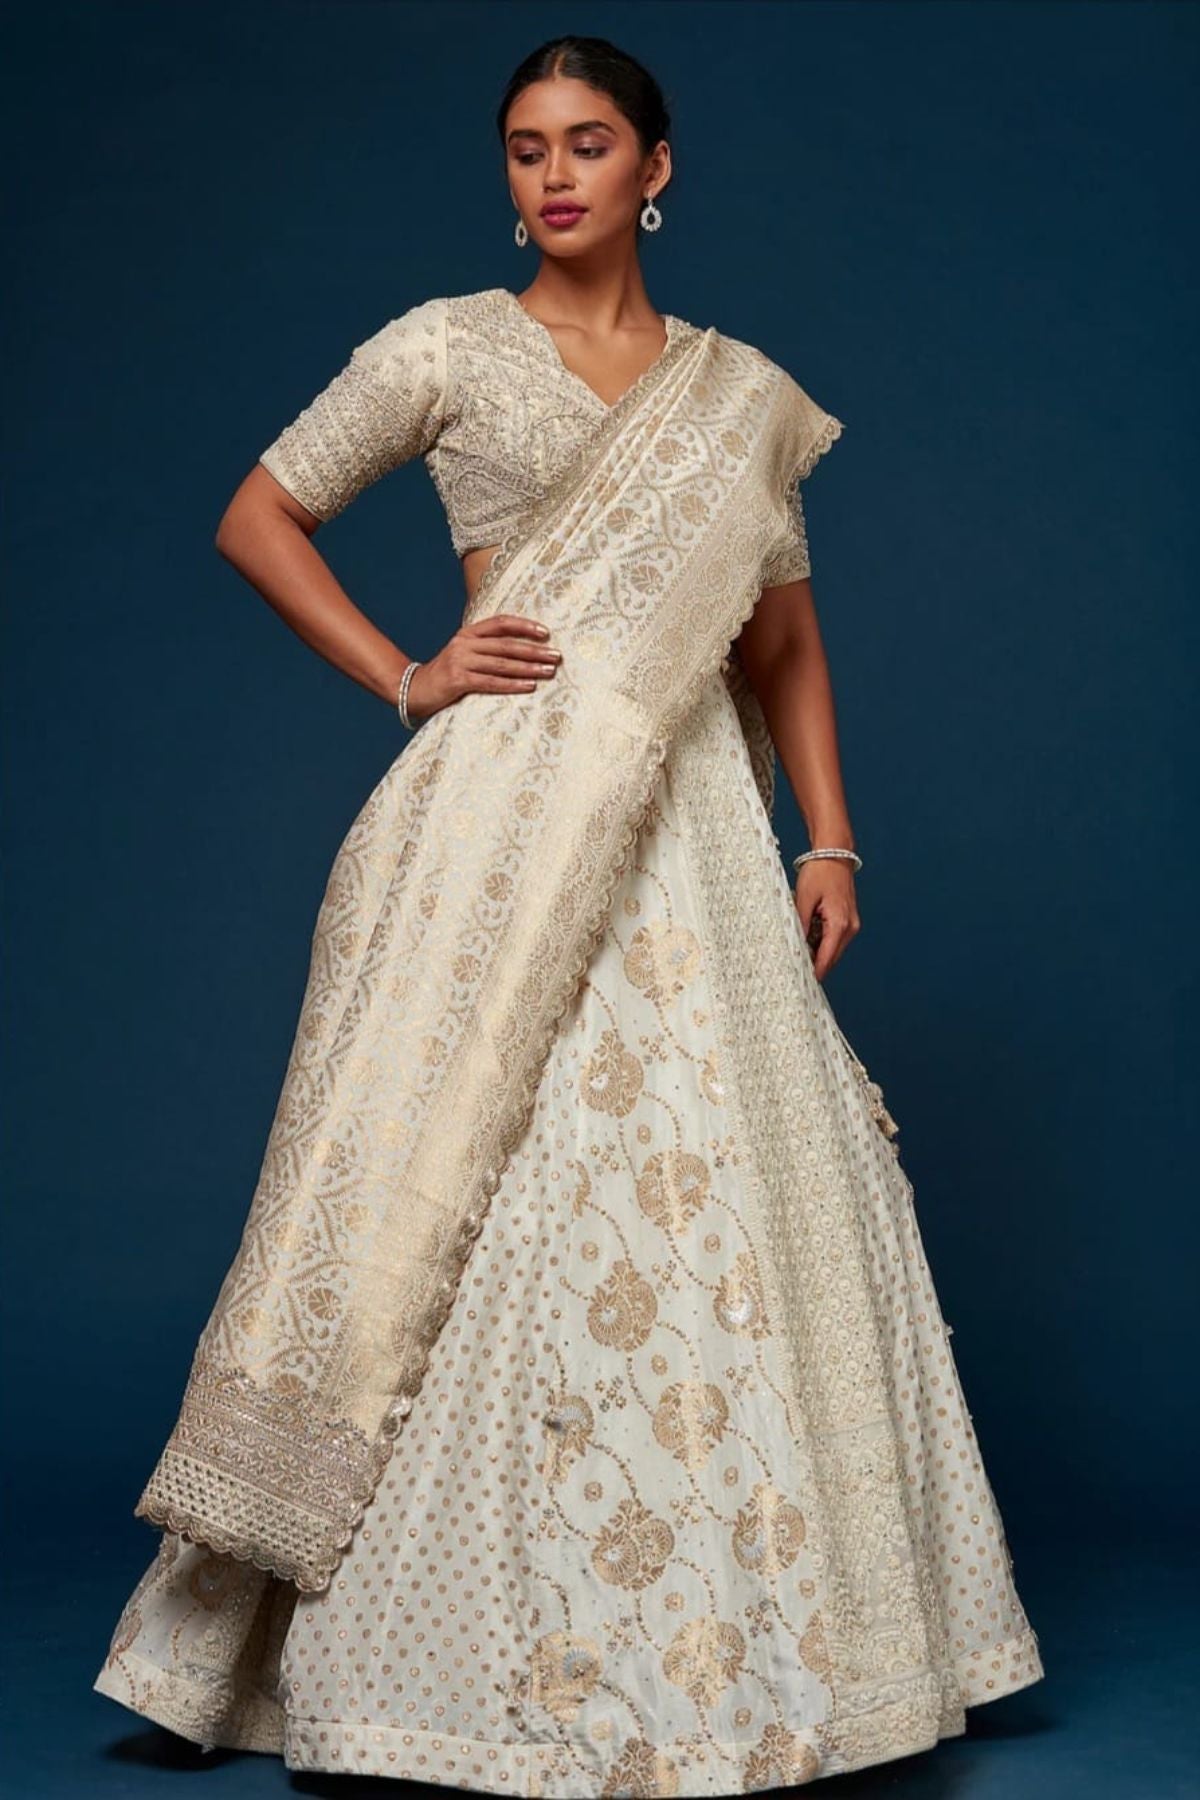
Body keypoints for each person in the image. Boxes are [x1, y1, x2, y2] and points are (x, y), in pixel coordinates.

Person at [92, 32, 1044, 1795]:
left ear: (654, 168)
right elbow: (258, 515)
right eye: (527, 147)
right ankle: (437, 1662)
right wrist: (409, 674)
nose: (555, 175)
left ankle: (761, 1655)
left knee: (716, 1182)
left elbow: (782, 639)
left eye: (589, 143)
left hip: (693, 830)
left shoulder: (740, 395)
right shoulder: (444, 348)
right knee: (468, 1186)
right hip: (496, 825)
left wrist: (832, 840)